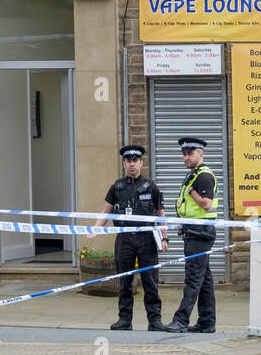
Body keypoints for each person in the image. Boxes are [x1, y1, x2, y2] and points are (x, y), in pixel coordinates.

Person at [88, 144, 169, 331]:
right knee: (124, 281)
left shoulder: (151, 186)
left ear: (141, 163)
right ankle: (124, 319)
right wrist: (95, 229)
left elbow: (160, 215)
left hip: (147, 239)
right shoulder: (117, 187)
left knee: (150, 281)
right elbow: (106, 211)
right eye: (128, 161)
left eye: (135, 161)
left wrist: (164, 238)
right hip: (124, 239)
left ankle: (154, 320)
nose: (132, 164)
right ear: (124, 163)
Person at [167, 136, 217, 333]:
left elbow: (206, 204)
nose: (186, 157)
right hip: (194, 232)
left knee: (193, 278)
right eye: (184, 154)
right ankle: (207, 322)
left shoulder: (203, 176)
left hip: (200, 233)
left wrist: (191, 192)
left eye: (190, 153)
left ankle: (181, 320)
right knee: (204, 279)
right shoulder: (193, 175)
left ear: (201, 154)